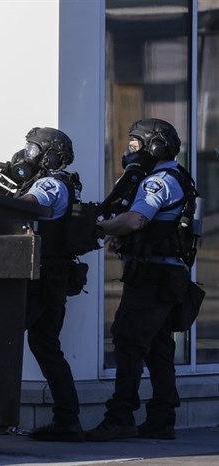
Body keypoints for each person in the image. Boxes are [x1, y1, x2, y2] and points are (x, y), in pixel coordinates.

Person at [0, 127, 84, 442]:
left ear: (50, 155)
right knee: (46, 347)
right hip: (51, 279)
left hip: (40, 280)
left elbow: (20, 207)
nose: (27, 155)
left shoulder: (49, 184)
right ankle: (67, 418)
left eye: (34, 150)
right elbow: (16, 202)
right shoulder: (58, 183)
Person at [86, 118, 192, 442]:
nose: (132, 150)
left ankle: (120, 416)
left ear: (155, 146)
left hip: (151, 277)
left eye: (137, 144)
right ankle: (162, 419)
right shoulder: (178, 176)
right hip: (166, 276)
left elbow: (136, 220)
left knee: (129, 343)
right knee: (159, 348)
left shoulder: (157, 181)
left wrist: (100, 227)